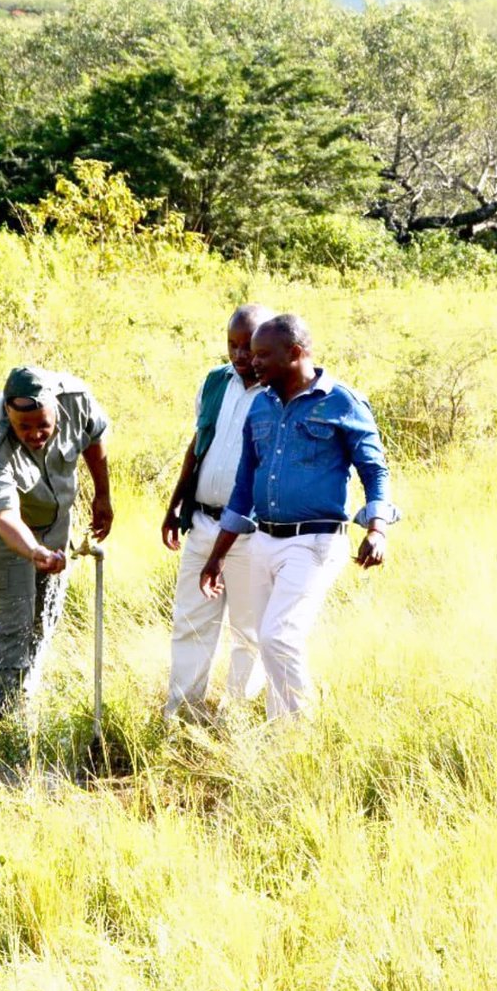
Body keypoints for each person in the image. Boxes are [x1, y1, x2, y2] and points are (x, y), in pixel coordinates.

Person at [199, 314, 394, 719]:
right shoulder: (262, 408)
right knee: (261, 638)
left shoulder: (342, 402)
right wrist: (217, 555)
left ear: (297, 353)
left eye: (263, 355)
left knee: (278, 636)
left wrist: (377, 529)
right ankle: (278, 729)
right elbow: (243, 488)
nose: (253, 363)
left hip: (315, 541)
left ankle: (299, 732)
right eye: (251, 355)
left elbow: (374, 470)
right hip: (262, 541)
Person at [0, 366, 112, 719]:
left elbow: (94, 437)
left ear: (56, 409)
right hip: (4, 530)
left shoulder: (75, 399)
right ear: (8, 416)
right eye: (23, 427)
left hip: (55, 516)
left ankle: (26, 701)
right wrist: (34, 552)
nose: (35, 434)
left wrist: (103, 495)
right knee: (13, 627)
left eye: (43, 424)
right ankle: (2, 727)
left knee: (45, 617)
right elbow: (3, 514)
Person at [161, 304, 273, 721]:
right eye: (233, 344)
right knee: (190, 622)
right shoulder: (214, 382)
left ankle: (236, 718)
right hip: (204, 520)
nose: (242, 355)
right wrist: (176, 504)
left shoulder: (279, 391)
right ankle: (183, 714)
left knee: (249, 631)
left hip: (253, 531)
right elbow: (198, 444)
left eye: (251, 347)